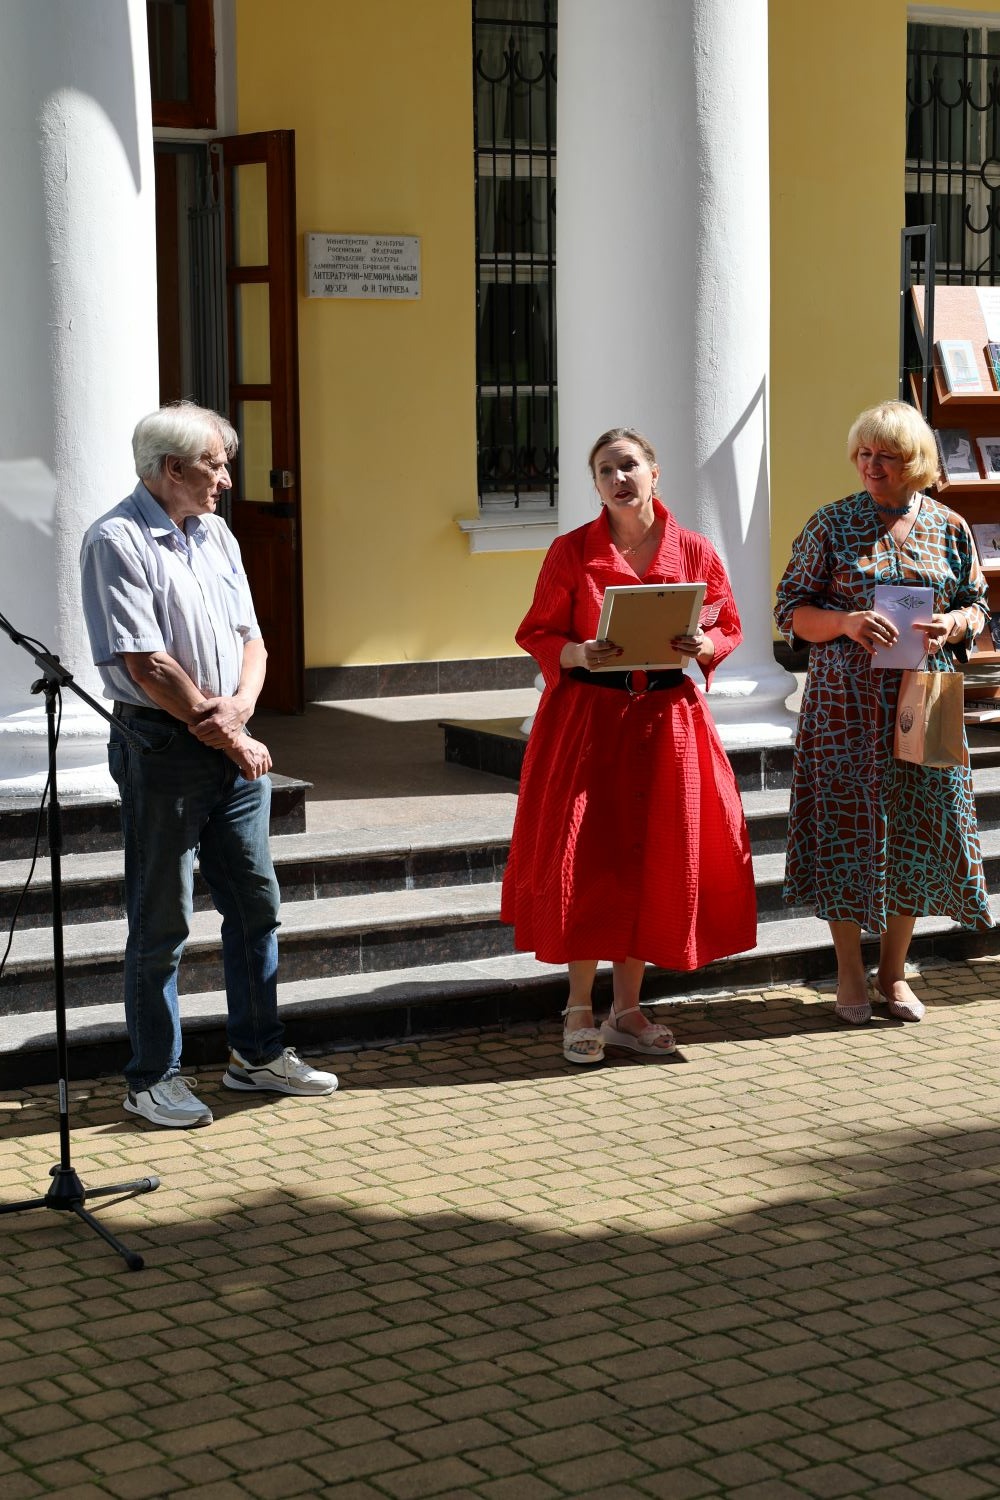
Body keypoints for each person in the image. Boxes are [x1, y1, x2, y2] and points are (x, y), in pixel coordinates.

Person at [80, 403, 338, 1127]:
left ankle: (256, 1056)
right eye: (215, 465)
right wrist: (224, 729)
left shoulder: (217, 533)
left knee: (256, 905)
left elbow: (252, 637)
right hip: (163, 749)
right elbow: (147, 662)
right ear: (171, 469)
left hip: (229, 741)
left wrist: (240, 712)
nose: (225, 479)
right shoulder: (117, 539)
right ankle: (150, 1078)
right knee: (160, 921)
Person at [500, 427, 757, 1064]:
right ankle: (580, 1005)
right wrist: (578, 651)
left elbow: (727, 622)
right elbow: (536, 631)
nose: (620, 478)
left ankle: (630, 1008)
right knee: (586, 856)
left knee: (656, 855)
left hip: (669, 718)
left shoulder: (693, 550)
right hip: (590, 718)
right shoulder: (571, 552)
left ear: (654, 471)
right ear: (595, 484)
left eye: (630, 466)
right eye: (606, 470)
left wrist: (708, 647)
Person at [775, 399, 993, 1027]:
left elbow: (977, 606)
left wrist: (953, 622)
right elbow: (791, 611)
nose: (872, 464)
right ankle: (848, 970)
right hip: (845, 705)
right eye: (864, 453)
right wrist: (844, 621)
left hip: (929, 694)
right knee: (846, 827)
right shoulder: (831, 523)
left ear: (914, 461)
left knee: (920, 827)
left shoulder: (949, 526)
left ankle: (895, 973)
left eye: (886, 455)